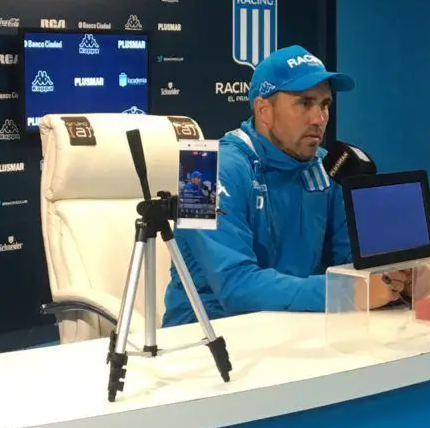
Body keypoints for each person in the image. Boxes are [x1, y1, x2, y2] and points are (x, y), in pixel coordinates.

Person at [162, 45, 410, 327]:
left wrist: (393, 279)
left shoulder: (327, 166)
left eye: (325, 104)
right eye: (305, 103)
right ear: (263, 109)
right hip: (207, 339)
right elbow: (236, 287)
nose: (319, 119)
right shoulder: (201, 170)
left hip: (297, 329)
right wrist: (349, 291)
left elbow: (351, 258)